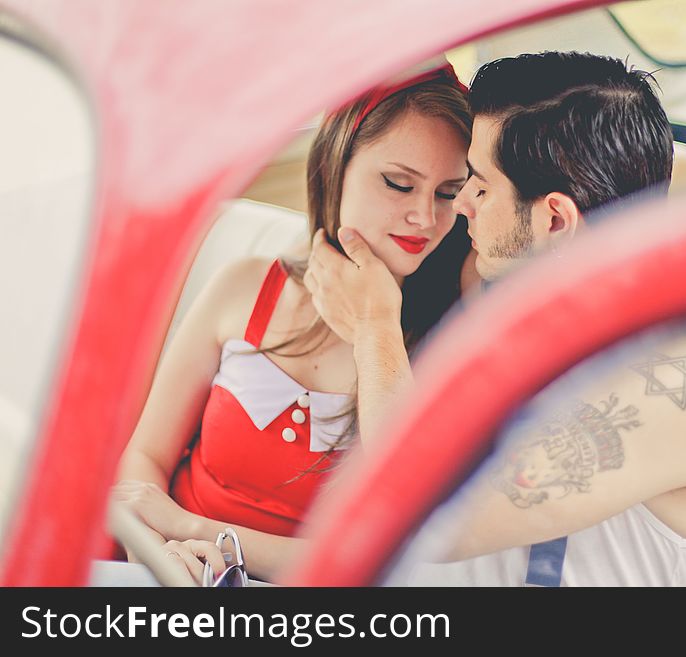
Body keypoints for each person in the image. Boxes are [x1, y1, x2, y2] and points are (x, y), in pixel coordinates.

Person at [304, 51, 686, 586]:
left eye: (478, 184)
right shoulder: (518, 294)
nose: (462, 204)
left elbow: (412, 514)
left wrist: (374, 327)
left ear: (555, 220)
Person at [111, 61, 473, 583]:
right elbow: (145, 455)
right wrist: (162, 550)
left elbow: (380, 552)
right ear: (333, 168)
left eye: (447, 194)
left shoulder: (446, 342)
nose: (425, 217)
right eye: (398, 184)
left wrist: (193, 529)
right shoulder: (244, 287)